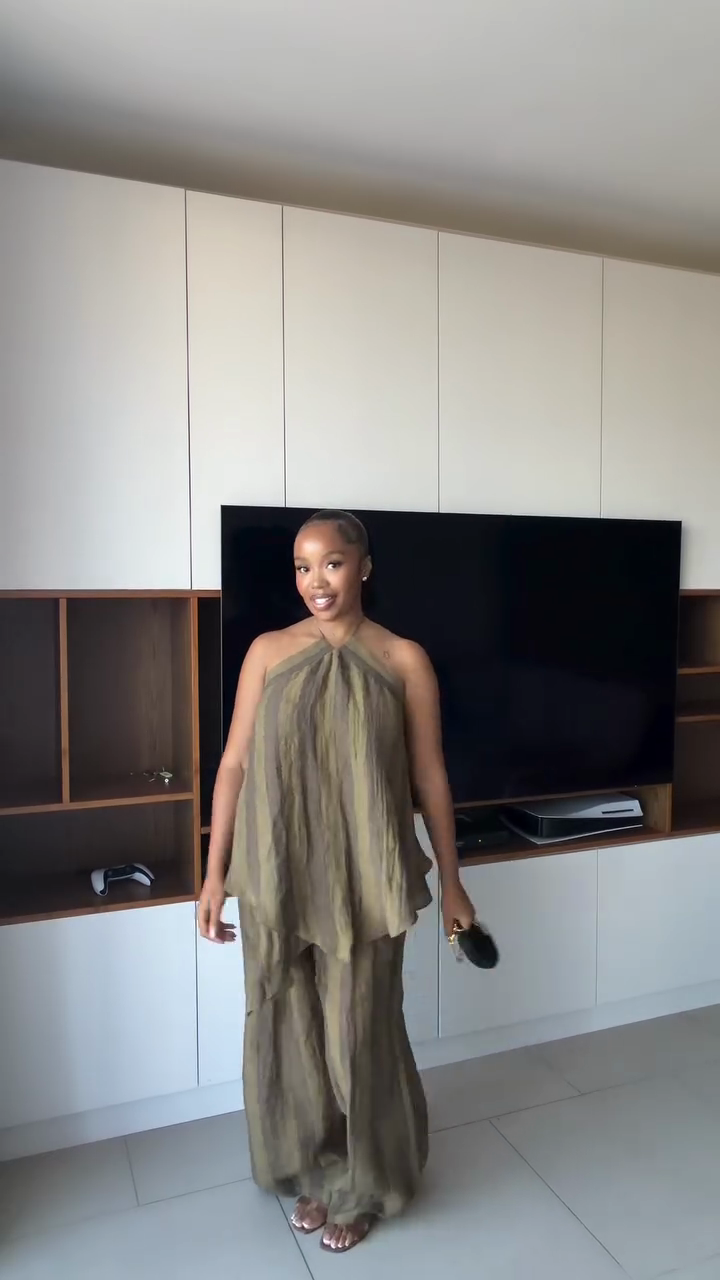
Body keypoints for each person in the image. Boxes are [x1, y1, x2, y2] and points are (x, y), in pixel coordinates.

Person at [197, 509, 475, 1254]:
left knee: (360, 1032)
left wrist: (452, 881)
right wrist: (215, 873)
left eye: (331, 563)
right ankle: (315, 1171)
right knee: (288, 1028)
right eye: (302, 566)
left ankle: (367, 1183)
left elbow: (430, 775)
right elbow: (234, 764)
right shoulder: (267, 651)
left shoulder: (403, 659)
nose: (315, 581)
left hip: (366, 877)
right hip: (277, 870)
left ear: (365, 567)